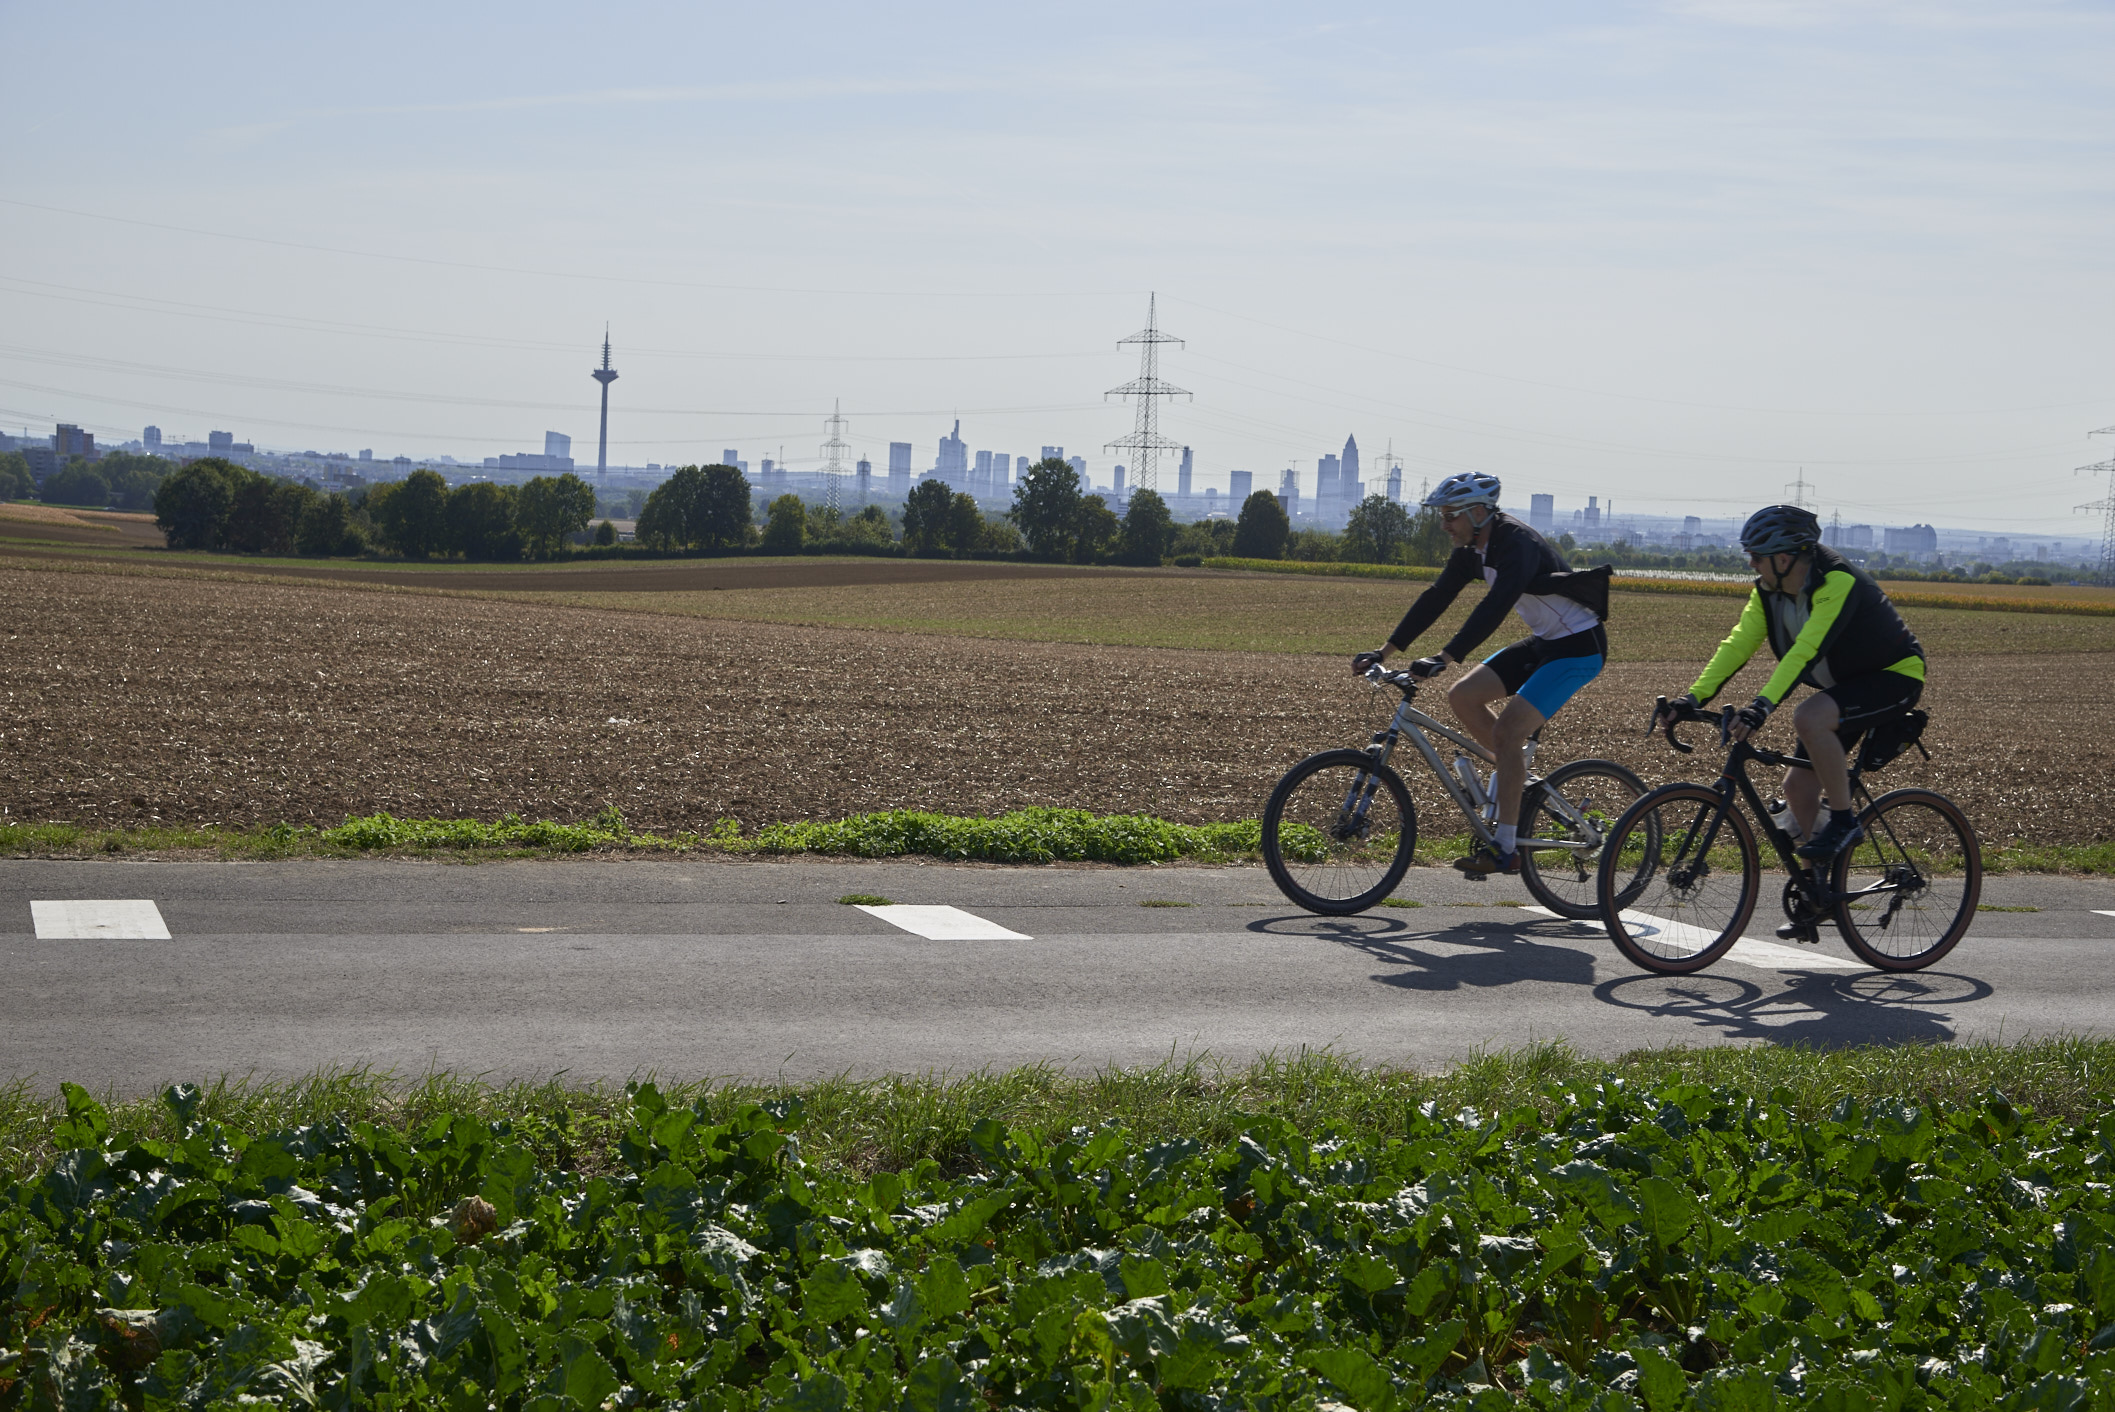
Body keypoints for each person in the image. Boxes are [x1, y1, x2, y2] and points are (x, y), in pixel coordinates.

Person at [1351, 472, 1610, 875]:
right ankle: (1514, 776)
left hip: (1578, 648)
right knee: (1462, 696)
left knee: (1508, 733)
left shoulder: (1516, 545)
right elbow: (1437, 597)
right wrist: (1384, 650)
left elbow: (1494, 606)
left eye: (1450, 514)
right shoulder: (1473, 548)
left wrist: (1445, 655)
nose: (1444, 524)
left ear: (1477, 511)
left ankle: (1506, 849)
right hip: (1545, 641)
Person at [1655, 503, 1926, 870]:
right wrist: (1692, 697)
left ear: (1784, 559)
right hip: (1847, 686)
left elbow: (1804, 652)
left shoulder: (1837, 581)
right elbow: (1737, 644)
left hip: (1895, 676)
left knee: (1809, 716)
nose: (1751, 564)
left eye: (1756, 556)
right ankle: (1820, 886)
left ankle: (1845, 822)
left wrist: (1761, 706)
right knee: (1797, 788)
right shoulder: (1768, 590)